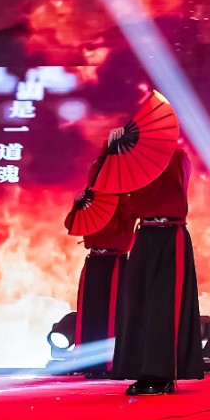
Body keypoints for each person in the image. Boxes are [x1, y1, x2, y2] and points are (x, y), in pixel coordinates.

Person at [109, 136, 202, 395]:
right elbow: (107, 185)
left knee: (164, 304)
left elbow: (169, 173)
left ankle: (162, 374)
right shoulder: (132, 163)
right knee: (136, 302)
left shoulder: (176, 157)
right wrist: (113, 151)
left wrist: (144, 153)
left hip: (171, 234)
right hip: (145, 234)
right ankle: (140, 370)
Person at [62, 162, 137, 378]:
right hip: (93, 259)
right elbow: (72, 225)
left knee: (112, 314)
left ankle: (111, 362)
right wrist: (77, 204)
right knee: (89, 312)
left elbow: (133, 217)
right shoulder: (91, 199)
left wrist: (122, 203)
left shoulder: (125, 199)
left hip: (115, 261)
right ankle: (87, 361)